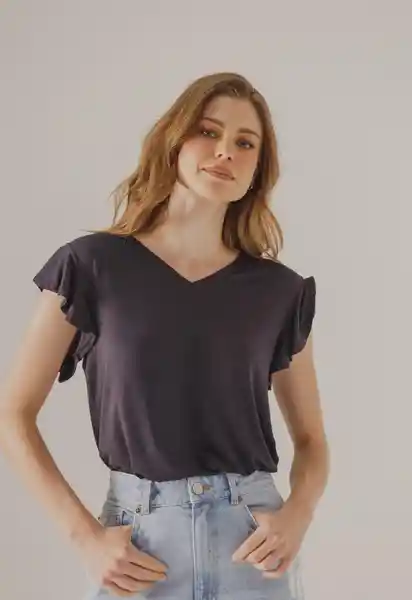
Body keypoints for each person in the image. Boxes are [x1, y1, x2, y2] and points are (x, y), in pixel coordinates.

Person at [0, 72, 329, 599]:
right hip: (137, 550)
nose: (225, 151)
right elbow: (12, 415)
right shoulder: (90, 267)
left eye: (245, 143)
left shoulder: (279, 292)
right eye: (208, 131)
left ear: (257, 170)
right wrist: (85, 538)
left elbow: (311, 441)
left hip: (251, 549)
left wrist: (297, 517)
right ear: (174, 140)